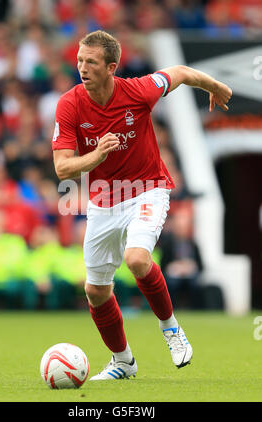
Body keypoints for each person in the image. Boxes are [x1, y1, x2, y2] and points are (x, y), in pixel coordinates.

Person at [52, 30, 232, 380]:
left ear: (111, 67)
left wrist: (212, 85)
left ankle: (171, 329)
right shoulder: (69, 104)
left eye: (90, 62)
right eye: (79, 60)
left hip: (147, 189)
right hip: (104, 200)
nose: (82, 68)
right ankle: (123, 362)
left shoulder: (137, 91)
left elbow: (179, 72)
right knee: (95, 290)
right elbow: (62, 167)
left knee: (137, 259)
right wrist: (97, 154)